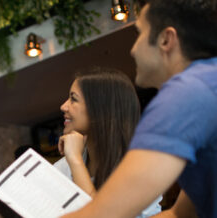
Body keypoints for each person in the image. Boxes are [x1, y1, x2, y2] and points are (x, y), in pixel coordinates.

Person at [62, 0, 217, 217]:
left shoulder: (187, 94)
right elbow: (180, 214)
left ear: (166, 39)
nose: (133, 50)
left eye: (139, 33)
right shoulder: (207, 83)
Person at [54, 68, 161, 218]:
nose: (63, 106)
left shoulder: (141, 170)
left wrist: (75, 160)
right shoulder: (60, 169)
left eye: (74, 99)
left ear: (100, 109)